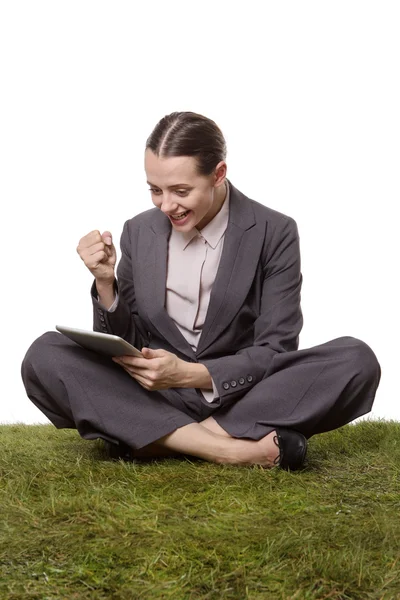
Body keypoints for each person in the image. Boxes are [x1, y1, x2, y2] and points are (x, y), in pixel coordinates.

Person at [21, 111, 381, 471]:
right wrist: (104, 281)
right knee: (44, 354)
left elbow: (276, 348)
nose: (166, 205)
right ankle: (228, 450)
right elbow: (126, 346)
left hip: (240, 397)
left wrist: (191, 375)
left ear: (218, 174)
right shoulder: (138, 231)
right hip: (154, 396)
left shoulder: (274, 231)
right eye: (155, 190)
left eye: (181, 191)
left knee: (356, 360)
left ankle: (158, 439)